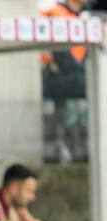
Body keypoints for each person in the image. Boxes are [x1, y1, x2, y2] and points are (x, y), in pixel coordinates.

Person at [40, 0, 90, 164]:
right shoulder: (55, 14)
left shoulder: (83, 17)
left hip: (75, 79)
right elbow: (62, 55)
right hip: (56, 78)